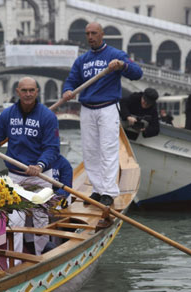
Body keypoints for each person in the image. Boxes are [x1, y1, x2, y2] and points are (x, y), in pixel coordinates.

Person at [61, 22, 143, 207]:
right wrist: (67, 90)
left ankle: (109, 192)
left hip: (107, 107)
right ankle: (97, 190)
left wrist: (122, 65)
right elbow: (71, 81)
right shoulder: (81, 60)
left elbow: (138, 73)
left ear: (102, 34)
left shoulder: (115, 55)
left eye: (94, 33)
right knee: (90, 151)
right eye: (87, 33)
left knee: (107, 150)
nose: (90, 36)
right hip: (87, 108)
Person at [0, 76, 60, 257]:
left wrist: (39, 165)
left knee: (40, 220)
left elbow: (52, 148)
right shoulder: (7, 114)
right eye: (24, 90)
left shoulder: (47, 116)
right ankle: (16, 263)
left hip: (41, 175)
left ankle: (41, 258)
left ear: (37, 92)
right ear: (17, 92)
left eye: (31, 90)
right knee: (15, 222)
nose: (28, 94)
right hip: (15, 177)